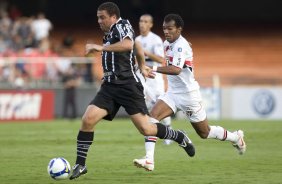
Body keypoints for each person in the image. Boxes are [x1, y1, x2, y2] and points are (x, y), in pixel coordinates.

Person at [69, 3, 195, 180]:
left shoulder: (123, 25)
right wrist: (141, 65)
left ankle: (178, 135)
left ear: (113, 16)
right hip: (110, 86)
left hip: (128, 86)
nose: (99, 20)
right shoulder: (110, 32)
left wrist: (101, 47)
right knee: (88, 119)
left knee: (147, 129)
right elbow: (136, 45)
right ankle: (80, 165)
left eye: (102, 17)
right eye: (98, 17)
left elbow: (129, 44)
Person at [133, 14, 246, 171]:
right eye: (164, 28)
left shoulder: (181, 45)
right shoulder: (167, 42)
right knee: (151, 119)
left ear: (179, 29)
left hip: (189, 95)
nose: (166, 31)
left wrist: (151, 68)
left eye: (170, 28)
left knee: (204, 132)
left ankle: (235, 137)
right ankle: (149, 160)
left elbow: (176, 70)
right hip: (172, 93)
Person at [135, 14, 173, 146]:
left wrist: (144, 52)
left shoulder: (155, 39)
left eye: (145, 21)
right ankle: (151, 132)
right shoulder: (136, 39)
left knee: (160, 104)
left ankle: (168, 131)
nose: (142, 24)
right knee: (143, 104)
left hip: (154, 76)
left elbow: (161, 60)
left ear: (150, 24)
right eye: (141, 21)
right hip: (142, 75)